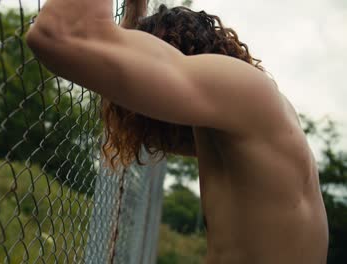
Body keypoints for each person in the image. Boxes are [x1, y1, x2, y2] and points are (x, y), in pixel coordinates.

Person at [26, 0, 329, 263]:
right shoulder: (249, 126)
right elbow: (121, 76)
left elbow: (62, 33)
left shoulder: (244, 91)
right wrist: (134, 11)